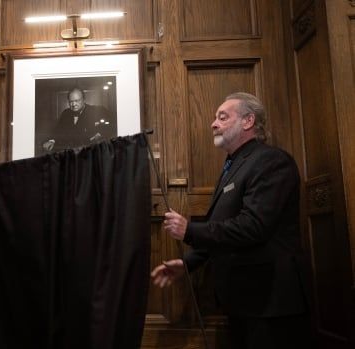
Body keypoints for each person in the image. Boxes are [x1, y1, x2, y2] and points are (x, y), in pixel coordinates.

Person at [151, 92, 311, 348]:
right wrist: (187, 263)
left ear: (248, 121)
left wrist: (189, 230)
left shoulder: (271, 161)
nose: (213, 123)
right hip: (244, 301)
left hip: (271, 302)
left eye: (222, 117)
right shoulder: (234, 164)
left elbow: (253, 227)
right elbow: (223, 224)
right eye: (215, 118)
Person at [43, 87, 116, 151]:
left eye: (77, 101)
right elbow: (58, 131)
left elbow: (113, 125)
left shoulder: (97, 110)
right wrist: (52, 141)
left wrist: (100, 134)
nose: (73, 104)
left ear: (84, 100)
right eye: (71, 101)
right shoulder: (65, 113)